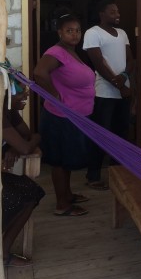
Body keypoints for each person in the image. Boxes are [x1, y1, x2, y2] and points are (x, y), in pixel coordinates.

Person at [34, 12, 96, 215]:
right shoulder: (56, 52)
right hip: (60, 118)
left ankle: (67, 195)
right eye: (69, 31)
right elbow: (38, 73)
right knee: (60, 162)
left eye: (77, 30)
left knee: (66, 160)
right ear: (59, 32)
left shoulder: (71, 51)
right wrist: (54, 96)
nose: (75, 34)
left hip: (73, 117)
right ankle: (63, 205)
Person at [82, 0, 135, 190]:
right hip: (104, 93)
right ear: (102, 14)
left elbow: (130, 60)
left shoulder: (122, 33)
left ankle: (117, 173)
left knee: (121, 133)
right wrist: (118, 84)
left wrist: (124, 77)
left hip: (123, 90)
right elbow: (98, 63)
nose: (117, 14)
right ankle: (93, 175)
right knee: (100, 134)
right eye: (112, 12)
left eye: (118, 11)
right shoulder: (93, 33)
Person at [1, 82, 45, 266]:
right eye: (22, 95)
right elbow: (27, 145)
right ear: (8, 96)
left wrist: (14, 145)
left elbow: (28, 135)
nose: (26, 98)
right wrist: (23, 144)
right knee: (15, 197)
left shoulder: (9, 112)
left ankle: (3, 253)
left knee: (31, 192)